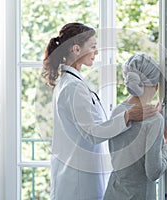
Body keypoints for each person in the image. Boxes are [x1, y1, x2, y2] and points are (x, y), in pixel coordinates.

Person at [41, 23, 158, 200]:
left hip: (76, 171)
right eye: (93, 47)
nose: (96, 52)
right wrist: (128, 116)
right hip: (78, 181)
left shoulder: (72, 82)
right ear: (76, 49)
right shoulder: (73, 87)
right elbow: (92, 133)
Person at [104, 53, 167, 200]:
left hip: (111, 194)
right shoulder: (154, 121)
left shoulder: (118, 112)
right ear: (156, 86)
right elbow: (153, 172)